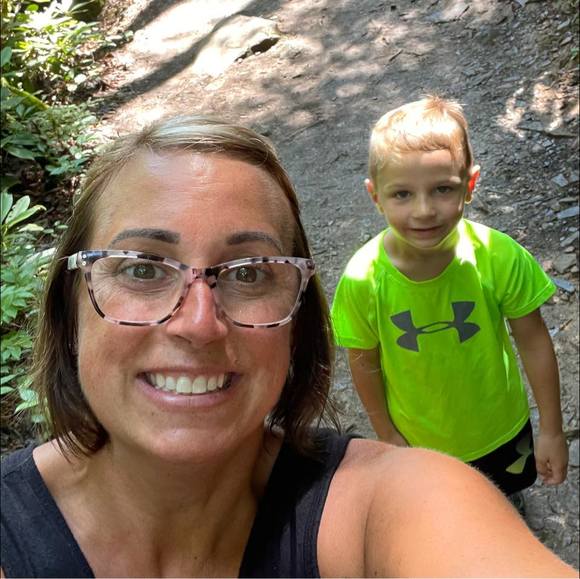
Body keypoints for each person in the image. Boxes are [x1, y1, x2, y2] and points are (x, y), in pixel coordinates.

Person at [1, 115, 575, 578]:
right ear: (69, 307)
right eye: (142, 268)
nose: (198, 325)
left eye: (250, 273)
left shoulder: (388, 506)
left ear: (297, 322)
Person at [331, 96, 569, 501]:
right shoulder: (362, 280)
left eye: (442, 189)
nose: (424, 210)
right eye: (402, 194)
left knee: (502, 498)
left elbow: (533, 339)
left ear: (470, 185)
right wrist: (386, 433)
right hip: (420, 439)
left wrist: (551, 428)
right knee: (445, 506)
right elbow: (363, 360)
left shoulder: (499, 257)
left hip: (501, 427)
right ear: (376, 196)